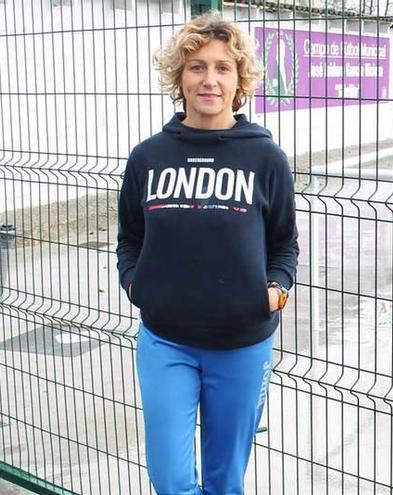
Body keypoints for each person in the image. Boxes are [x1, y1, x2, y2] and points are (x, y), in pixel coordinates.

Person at [116, 12, 298, 495]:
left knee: (224, 480)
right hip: (166, 341)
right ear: (179, 76)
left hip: (242, 344)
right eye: (196, 67)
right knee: (172, 480)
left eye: (222, 67)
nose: (209, 79)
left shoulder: (265, 159)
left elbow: (284, 242)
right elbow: (129, 237)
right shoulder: (148, 157)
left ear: (240, 79)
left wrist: (274, 293)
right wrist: (136, 283)